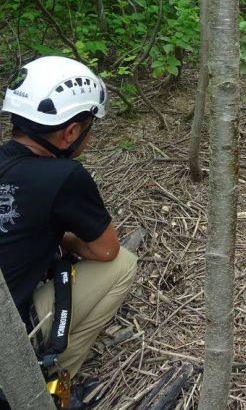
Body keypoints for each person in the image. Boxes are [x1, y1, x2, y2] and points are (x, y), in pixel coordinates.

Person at [0, 56, 137, 407]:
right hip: (7, 341)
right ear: (71, 131)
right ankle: (55, 380)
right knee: (123, 265)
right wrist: (61, 237)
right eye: (90, 125)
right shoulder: (64, 177)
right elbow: (106, 250)